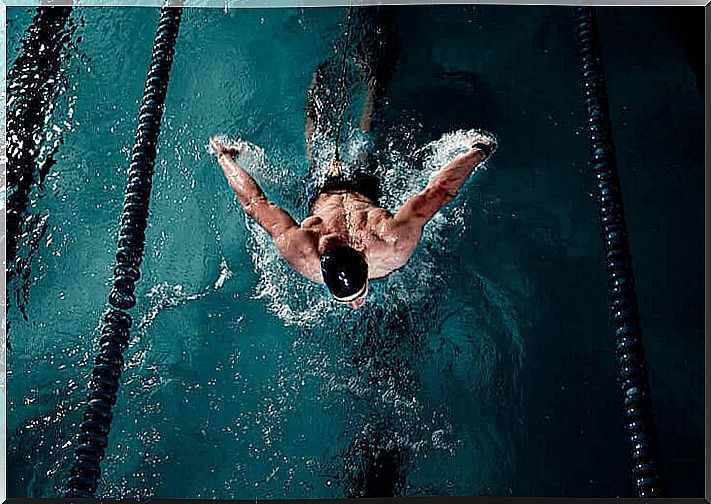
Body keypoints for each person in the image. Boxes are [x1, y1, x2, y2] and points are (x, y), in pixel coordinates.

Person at [210, 12, 497, 309]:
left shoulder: (377, 246)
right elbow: (437, 191)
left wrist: (479, 151)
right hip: (341, 187)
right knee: (347, 131)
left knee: (345, 126)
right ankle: (363, 74)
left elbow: (256, 203)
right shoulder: (379, 244)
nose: (356, 304)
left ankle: (350, 76)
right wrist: (226, 160)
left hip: (342, 186)